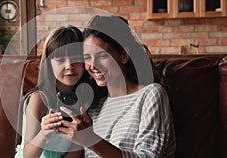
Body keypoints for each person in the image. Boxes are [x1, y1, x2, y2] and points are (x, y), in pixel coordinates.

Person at [56, 15, 176, 158]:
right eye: (87, 58)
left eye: (102, 56)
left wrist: (92, 141)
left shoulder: (151, 95)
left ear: (124, 55)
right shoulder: (93, 108)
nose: (93, 65)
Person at [15, 25, 87, 158]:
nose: (69, 66)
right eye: (60, 60)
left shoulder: (84, 100)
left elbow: (75, 152)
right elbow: (27, 155)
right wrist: (43, 134)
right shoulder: (40, 99)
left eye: (76, 58)